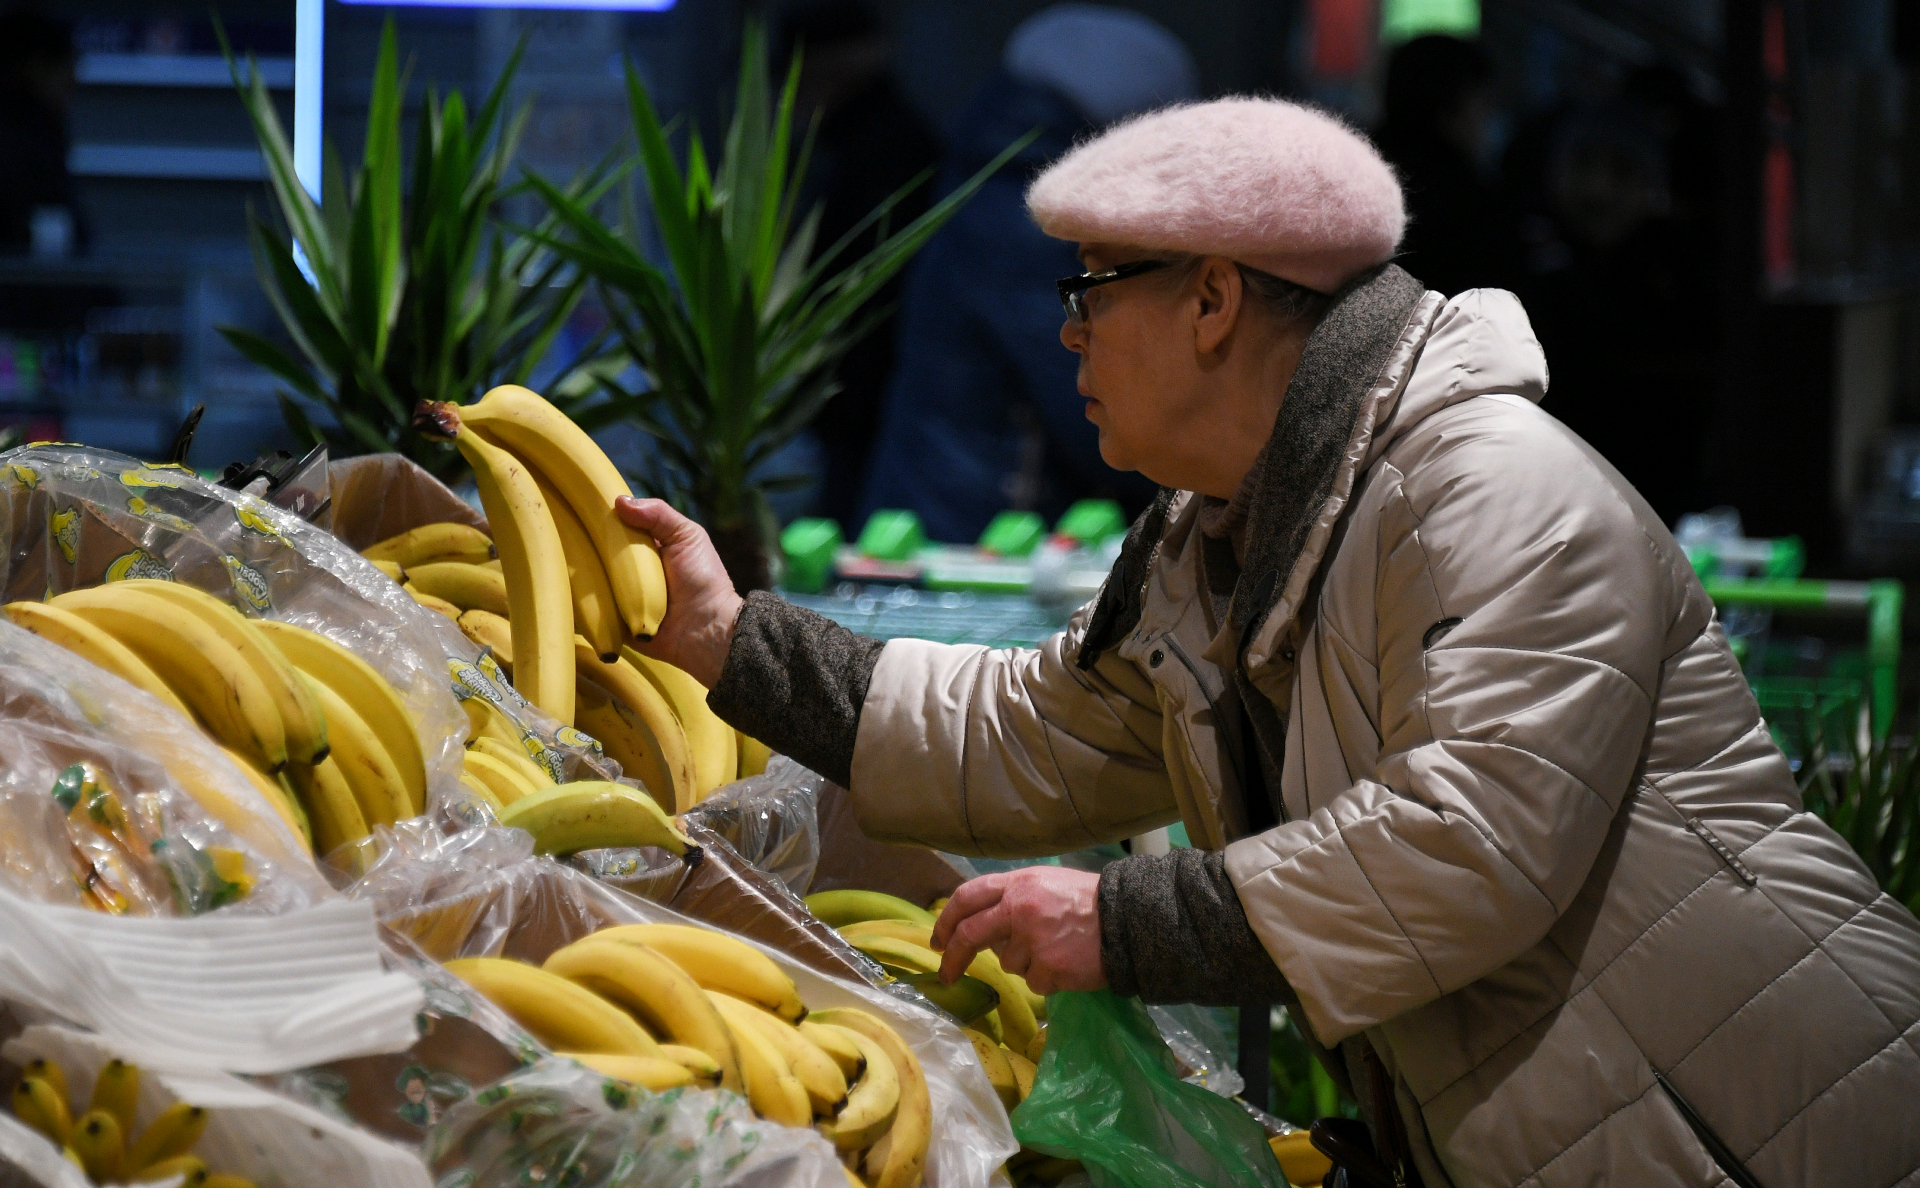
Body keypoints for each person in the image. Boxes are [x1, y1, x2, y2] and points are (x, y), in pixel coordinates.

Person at [618, 98, 1920, 1185]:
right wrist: (734, 642)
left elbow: (1470, 838)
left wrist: (1121, 922)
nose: (1066, 330)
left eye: (1091, 288)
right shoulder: (1216, 543)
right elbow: (1038, 730)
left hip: (1774, 1130)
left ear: (1214, 302)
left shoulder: (1493, 489)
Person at [857, 5, 1192, 544]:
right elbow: (1094, 404)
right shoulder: (1035, 220)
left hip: (934, 512)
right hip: (974, 537)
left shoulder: (987, 170)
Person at [776, 0, 942, 528]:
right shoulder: (864, 139)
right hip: (861, 395)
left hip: (867, 396)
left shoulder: (877, 147)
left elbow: (869, 285)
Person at [1370, 34, 1522, 296]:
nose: (1488, 119)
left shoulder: (1356, 171)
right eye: (1485, 103)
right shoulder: (1464, 200)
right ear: (1455, 102)